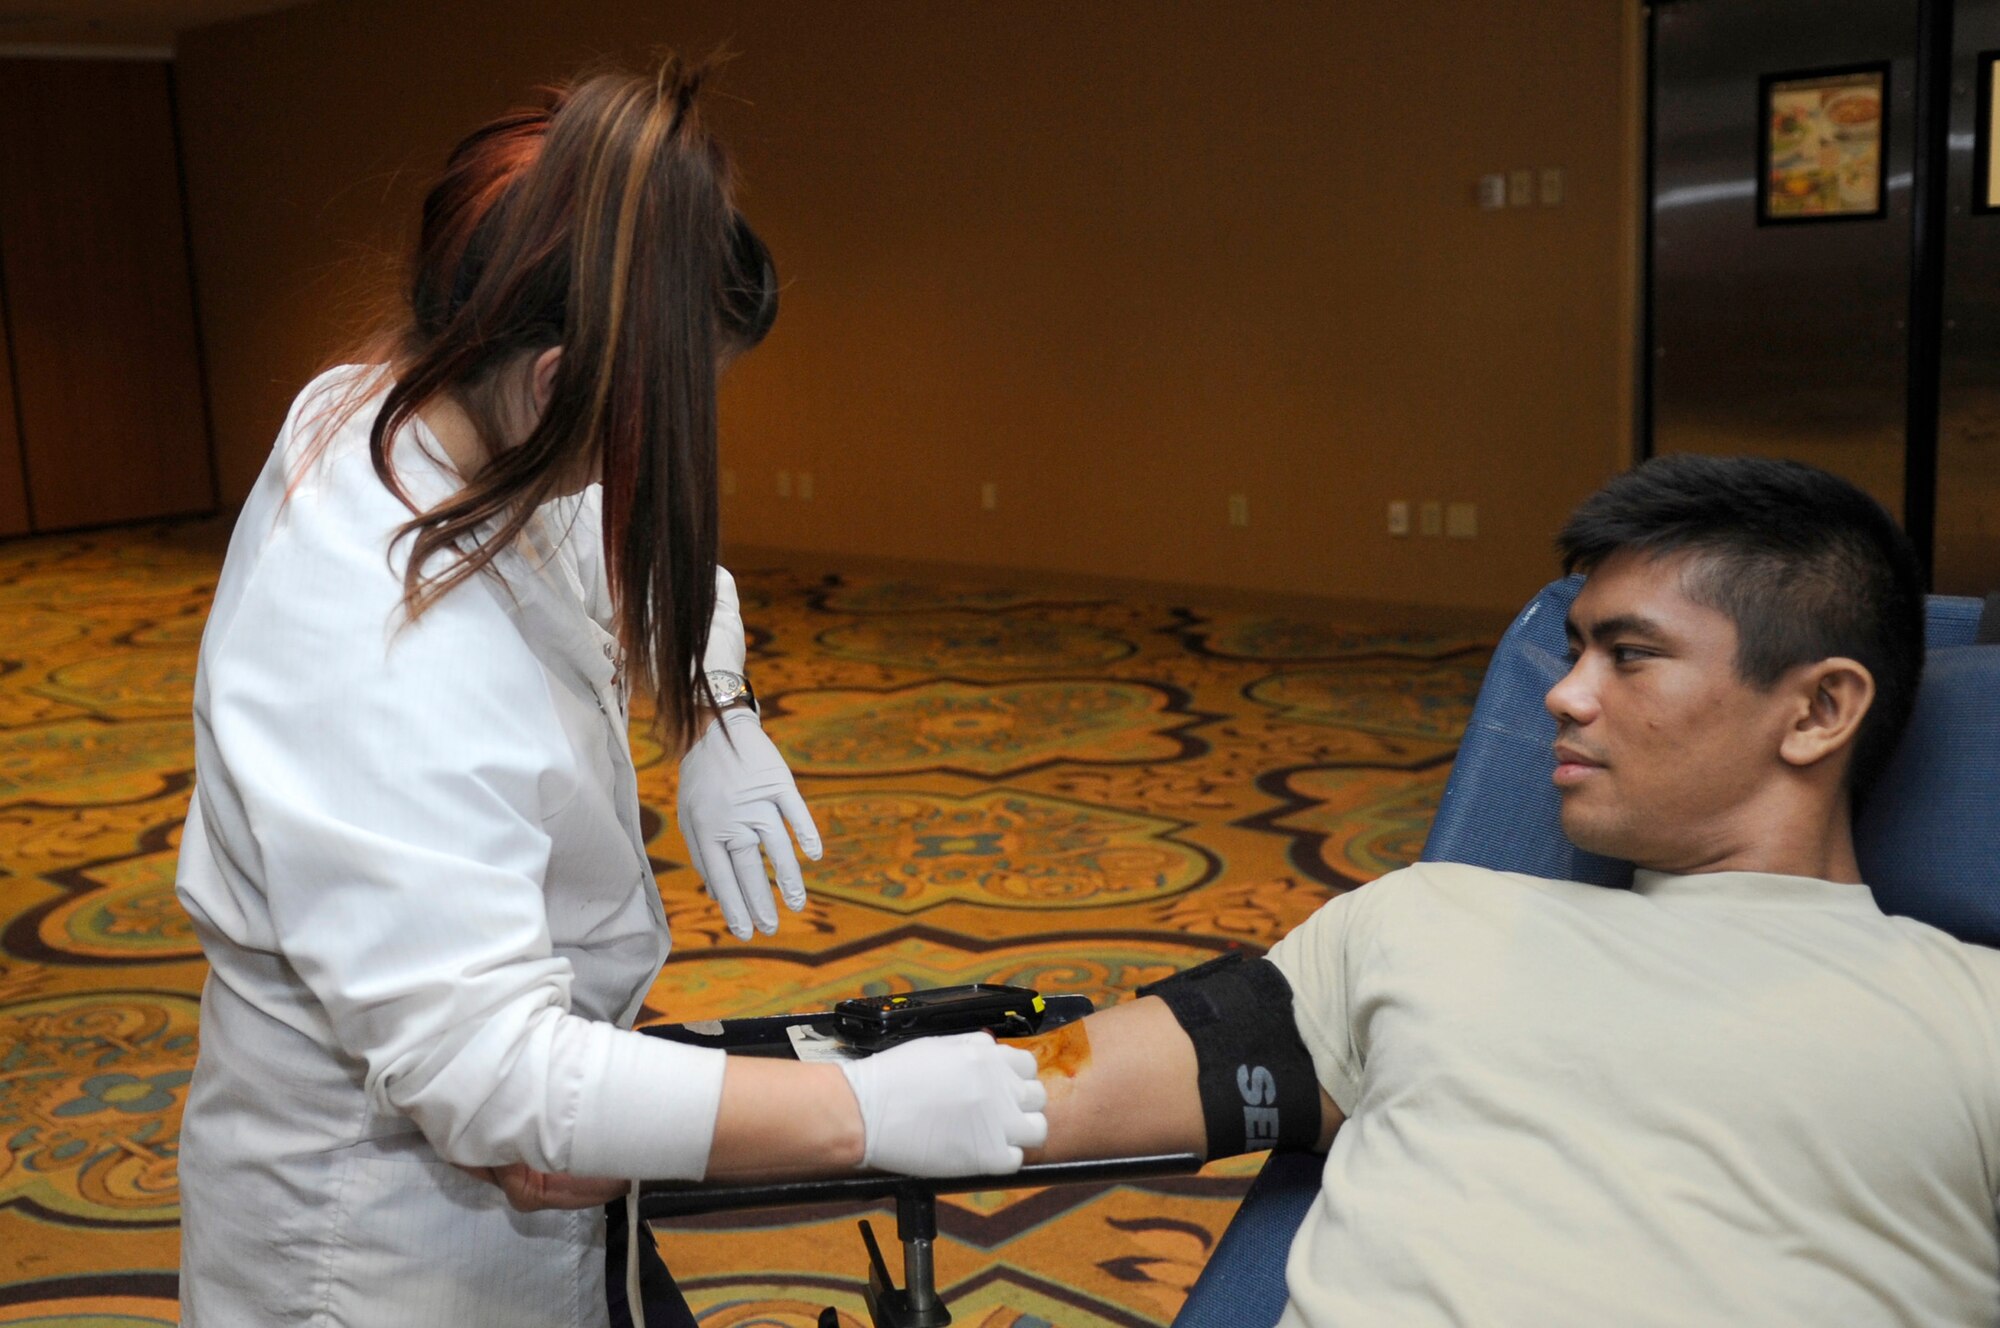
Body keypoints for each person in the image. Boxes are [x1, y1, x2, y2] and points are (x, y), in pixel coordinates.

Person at [173, 61, 1046, 1328]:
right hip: (374, 1253)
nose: (651, 453)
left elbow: (620, 546)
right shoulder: (376, 649)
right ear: (550, 378)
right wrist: (864, 1113)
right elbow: (489, 1076)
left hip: (525, 1181)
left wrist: (710, 705)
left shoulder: (404, 404)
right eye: (652, 413)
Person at [1015, 455, 2000, 1324]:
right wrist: (865, 1096)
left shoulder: (1971, 1018)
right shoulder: (1429, 919)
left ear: (1819, 709)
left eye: (1629, 654)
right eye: (1572, 649)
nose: (1563, 693)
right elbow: (1048, 1077)